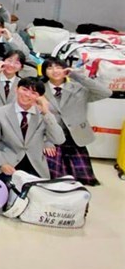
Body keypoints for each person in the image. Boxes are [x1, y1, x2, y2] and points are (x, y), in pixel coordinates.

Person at [41, 57, 112, 185]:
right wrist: (45, 140)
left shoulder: (79, 88)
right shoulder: (40, 90)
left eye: (58, 67)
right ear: (44, 71)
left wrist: (77, 76)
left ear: (65, 69)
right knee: (54, 178)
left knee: (82, 179)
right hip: (51, 136)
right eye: (49, 67)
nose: (54, 71)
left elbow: (105, 92)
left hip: (76, 136)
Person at [0, 77, 65, 184]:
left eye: (33, 93)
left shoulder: (45, 116)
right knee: (11, 192)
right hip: (6, 163)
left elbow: (59, 140)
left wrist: (46, 112)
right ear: (16, 89)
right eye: (24, 89)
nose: (27, 95)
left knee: (37, 194)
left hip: (34, 165)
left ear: (39, 97)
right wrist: (1, 164)